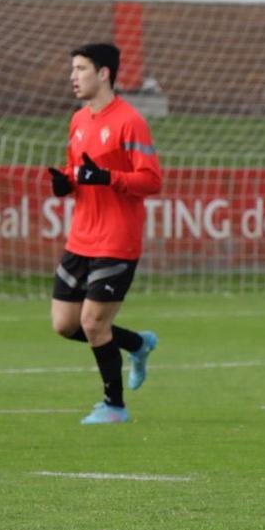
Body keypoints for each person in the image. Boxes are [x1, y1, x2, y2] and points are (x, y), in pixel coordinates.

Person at [46, 43, 163, 425]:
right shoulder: (79, 120)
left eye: (80, 69)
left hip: (117, 239)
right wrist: (66, 183)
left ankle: (114, 405)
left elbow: (151, 179)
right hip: (80, 237)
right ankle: (137, 344)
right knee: (65, 325)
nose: (72, 76)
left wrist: (109, 178)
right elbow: (77, 170)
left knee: (94, 324)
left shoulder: (130, 121)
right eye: (73, 69)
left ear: (104, 73)